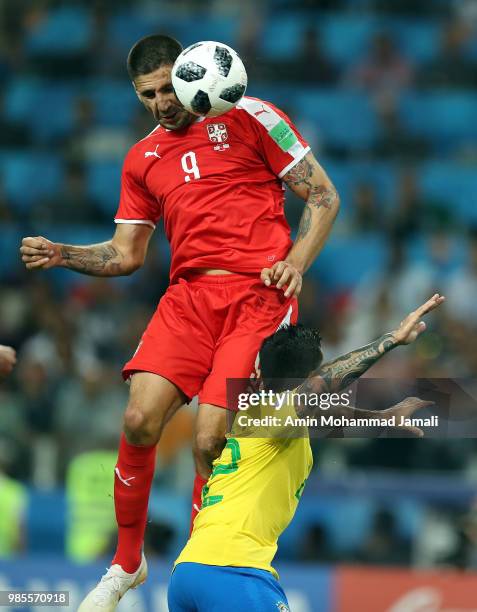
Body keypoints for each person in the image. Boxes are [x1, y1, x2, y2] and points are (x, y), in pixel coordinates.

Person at [19, 35, 339, 608]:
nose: (164, 101)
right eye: (150, 93)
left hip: (257, 295)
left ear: (194, 74)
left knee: (209, 439)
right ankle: (126, 563)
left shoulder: (252, 116)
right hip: (188, 298)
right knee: (140, 418)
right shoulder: (142, 158)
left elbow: (323, 196)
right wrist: (62, 253)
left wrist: (295, 264)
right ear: (136, 93)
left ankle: (199, 559)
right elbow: (127, 253)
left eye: (171, 86)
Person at [168, 293, 444, 611]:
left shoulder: (256, 415)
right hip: (232, 569)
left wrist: (381, 419)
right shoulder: (278, 414)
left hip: (189, 570)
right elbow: (323, 387)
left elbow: (326, 409)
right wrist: (391, 339)